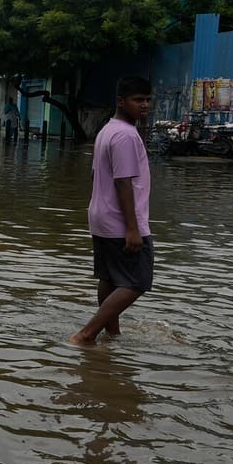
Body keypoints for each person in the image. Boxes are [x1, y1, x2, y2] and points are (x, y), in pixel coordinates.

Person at [70, 76, 153, 345]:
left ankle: (112, 333)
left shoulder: (107, 130)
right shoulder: (126, 135)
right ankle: (87, 334)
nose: (144, 106)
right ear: (120, 101)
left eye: (148, 100)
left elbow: (97, 176)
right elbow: (123, 182)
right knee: (137, 281)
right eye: (138, 100)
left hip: (101, 217)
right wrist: (132, 228)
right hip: (120, 222)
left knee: (110, 277)